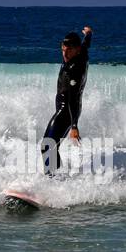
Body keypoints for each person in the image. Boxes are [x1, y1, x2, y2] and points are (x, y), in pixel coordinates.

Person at [40, 25, 91, 175]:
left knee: (47, 146)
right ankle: (55, 178)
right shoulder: (83, 53)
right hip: (66, 110)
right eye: (63, 50)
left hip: (67, 110)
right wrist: (88, 34)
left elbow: (73, 99)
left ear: (76, 49)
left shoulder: (74, 71)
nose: (65, 54)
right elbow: (86, 43)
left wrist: (74, 126)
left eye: (69, 50)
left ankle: (51, 180)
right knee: (51, 146)